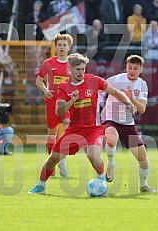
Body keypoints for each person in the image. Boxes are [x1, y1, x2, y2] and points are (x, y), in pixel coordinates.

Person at [28, 53, 134, 194]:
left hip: (93, 129)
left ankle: (101, 181)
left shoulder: (93, 80)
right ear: (69, 70)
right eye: (78, 69)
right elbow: (59, 111)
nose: (81, 72)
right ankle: (40, 186)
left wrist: (128, 103)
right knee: (53, 159)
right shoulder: (63, 87)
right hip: (73, 130)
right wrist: (71, 101)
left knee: (93, 155)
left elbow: (114, 91)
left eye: (84, 69)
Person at [101, 55, 156, 193]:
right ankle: (111, 163)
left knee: (143, 159)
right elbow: (99, 89)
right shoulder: (116, 80)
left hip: (128, 123)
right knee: (112, 138)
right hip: (110, 118)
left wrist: (131, 98)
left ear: (141, 69)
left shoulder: (142, 85)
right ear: (126, 67)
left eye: (135, 68)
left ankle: (143, 185)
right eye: (129, 67)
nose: (131, 71)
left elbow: (142, 109)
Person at [35, 33, 73, 177]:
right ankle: (52, 163)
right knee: (52, 133)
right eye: (59, 45)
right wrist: (45, 90)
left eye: (64, 45)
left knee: (68, 129)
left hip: (66, 103)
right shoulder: (49, 63)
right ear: (55, 47)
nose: (62, 47)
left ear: (69, 47)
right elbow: (39, 80)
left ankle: (61, 159)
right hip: (52, 102)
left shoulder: (72, 64)